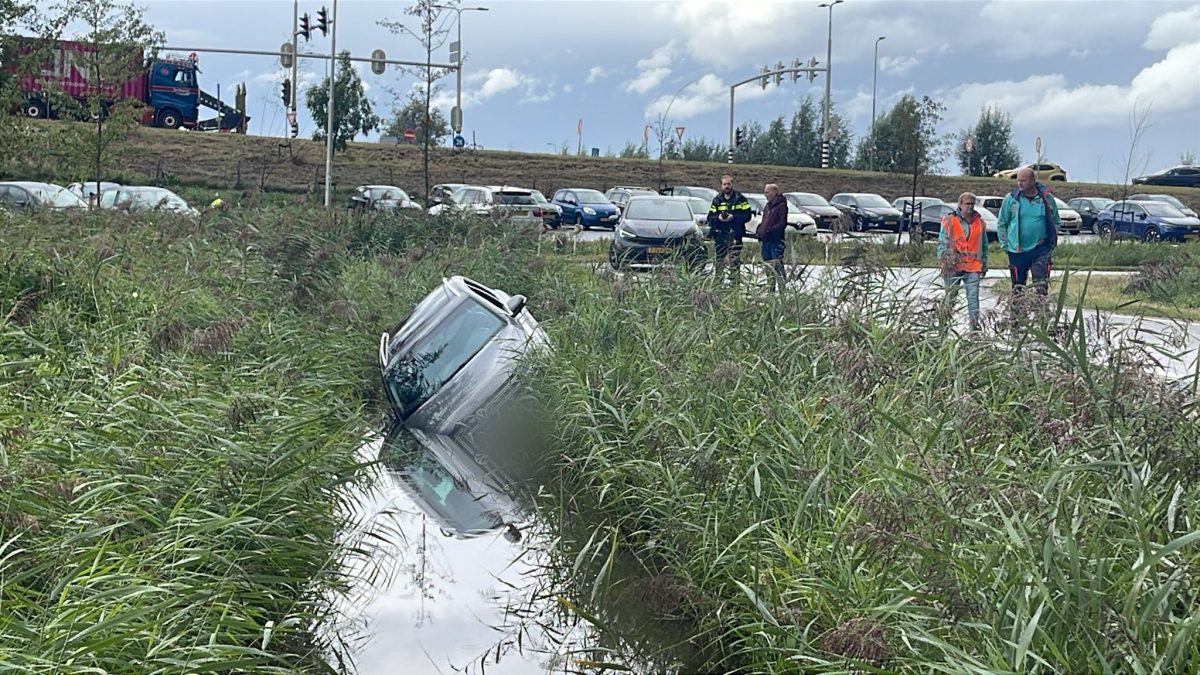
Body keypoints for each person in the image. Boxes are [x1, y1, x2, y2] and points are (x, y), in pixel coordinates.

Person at [996, 166, 1060, 297]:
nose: (1019, 183)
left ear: (1032, 181)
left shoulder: (1047, 199)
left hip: (1041, 249)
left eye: (1023, 180)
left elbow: (1056, 222)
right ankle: (1017, 315)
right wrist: (1005, 244)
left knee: (1041, 286)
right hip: (1017, 250)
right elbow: (1002, 223)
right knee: (1017, 288)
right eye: (1018, 180)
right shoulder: (1011, 199)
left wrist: (1050, 240)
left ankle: (1041, 314)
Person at [937, 192, 988, 330]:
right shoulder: (949, 221)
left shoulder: (980, 222)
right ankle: (943, 326)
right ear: (960, 205)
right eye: (967, 204)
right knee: (951, 297)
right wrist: (942, 262)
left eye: (972, 204)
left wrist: (985, 265)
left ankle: (974, 327)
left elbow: (984, 246)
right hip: (953, 266)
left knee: (973, 298)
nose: (970, 207)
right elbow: (942, 242)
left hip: (973, 266)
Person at [706, 175, 751, 282]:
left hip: (735, 234)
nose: (727, 186)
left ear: (732, 185)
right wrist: (719, 218)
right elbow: (710, 217)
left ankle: (734, 286)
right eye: (724, 184)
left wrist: (733, 217)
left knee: (734, 262)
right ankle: (718, 284)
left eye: (729, 184)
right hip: (720, 235)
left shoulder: (740, 199)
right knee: (719, 262)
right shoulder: (717, 200)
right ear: (721, 185)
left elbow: (747, 215)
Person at [756, 183, 789, 292]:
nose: (765, 194)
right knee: (768, 267)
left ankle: (782, 291)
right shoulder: (767, 206)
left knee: (777, 266)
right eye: (765, 192)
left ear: (774, 192)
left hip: (776, 241)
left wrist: (770, 230)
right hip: (765, 241)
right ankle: (770, 290)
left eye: (767, 192)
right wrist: (760, 230)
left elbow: (782, 223)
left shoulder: (781, 206)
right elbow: (764, 221)